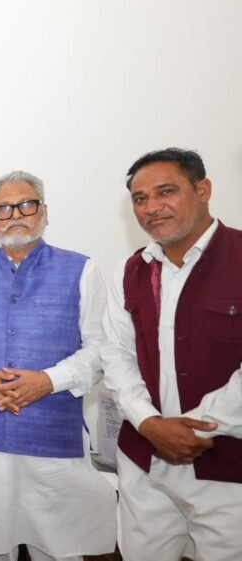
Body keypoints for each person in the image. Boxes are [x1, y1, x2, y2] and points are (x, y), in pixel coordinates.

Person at [0, 171, 116, 561]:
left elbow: (100, 347)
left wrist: (47, 381)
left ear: (44, 212)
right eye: (4, 208)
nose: (16, 215)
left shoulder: (82, 270)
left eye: (26, 204)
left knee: (58, 546)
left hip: (52, 439)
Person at [102, 148, 242, 561]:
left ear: (203, 190)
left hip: (226, 465)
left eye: (166, 192)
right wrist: (149, 422)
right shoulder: (130, 270)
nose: (151, 207)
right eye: (140, 199)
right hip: (144, 460)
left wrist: (199, 429)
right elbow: (116, 353)